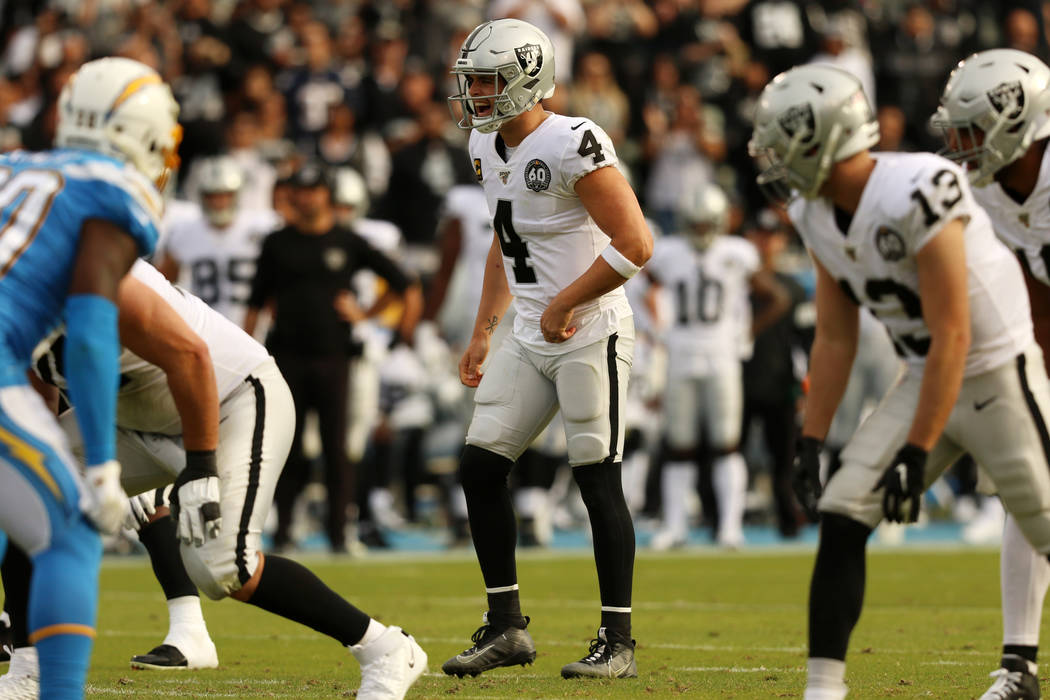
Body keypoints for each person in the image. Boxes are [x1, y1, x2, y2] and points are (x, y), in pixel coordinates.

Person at [749, 63, 1050, 700]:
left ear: (822, 138)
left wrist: (917, 449)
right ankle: (823, 690)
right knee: (843, 510)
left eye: (782, 141)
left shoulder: (921, 186)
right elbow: (834, 335)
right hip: (926, 374)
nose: (773, 159)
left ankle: (1019, 666)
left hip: (997, 373)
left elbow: (956, 332)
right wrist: (811, 438)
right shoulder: (813, 209)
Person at [3, 258, 427, 700]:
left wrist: (201, 467)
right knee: (18, 482)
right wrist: (88, 470)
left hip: (231, 400)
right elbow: (41, 391)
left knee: (226, 566)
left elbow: (191, 357)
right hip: (137, 418)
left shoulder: (94, 271)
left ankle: (385, 648)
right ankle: (32, 672)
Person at [441, 18, 652, 679]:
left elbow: (635, 245)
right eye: (471, 81)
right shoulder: (484, 144)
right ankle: (507, 628)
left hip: (590, 330)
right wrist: (483, 330)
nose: (475, 94)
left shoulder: (574, 140)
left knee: (597, 479)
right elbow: (506, 247)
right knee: (480, 468)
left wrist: (567, 301)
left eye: (486, 81)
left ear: (527, 80)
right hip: (529, 330)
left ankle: (616, 641)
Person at [0, 56, 177, 700]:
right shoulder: (111, 189)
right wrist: (102, 463)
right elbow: (93, 328)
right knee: (71, 531)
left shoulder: (13, 164)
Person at [932, 47, 1050, 700]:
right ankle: (1019, 667)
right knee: (1026, 490)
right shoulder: (982, 187)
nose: (962, 145)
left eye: (973, 130)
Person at [243, 162, 414, 553]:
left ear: (326, 195)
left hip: (334, 357)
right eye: (299, 191)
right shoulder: (277, 243)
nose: (306, 198)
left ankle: (340, 533)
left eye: (314, 190)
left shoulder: (347, 240)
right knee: (287, 445)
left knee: (336, 448)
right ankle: (284, 531)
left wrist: (365, 313)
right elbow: (255, 302)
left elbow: (402, 282)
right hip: (285, 357)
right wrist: (245, 349)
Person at [645, 183, 790, 550]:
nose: (700, 231)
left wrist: (743, 335)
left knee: (727, 445)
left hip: (721, 358)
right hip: (680, 357)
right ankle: (676, 527)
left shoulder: (737, 252)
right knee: (679, 446)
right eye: (695, 224)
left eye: (706, 224)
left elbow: (776, 297)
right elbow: (636, 288)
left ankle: (730, 528)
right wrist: (654, 332)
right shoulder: (668, 252)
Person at [156, 155, 279, 328]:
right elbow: (162, 281)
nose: (219, 202)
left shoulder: (262, 227)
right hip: (205, 324)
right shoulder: (185, 230)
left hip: (253, 323)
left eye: (225, 195)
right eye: (212, 196)